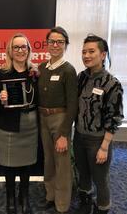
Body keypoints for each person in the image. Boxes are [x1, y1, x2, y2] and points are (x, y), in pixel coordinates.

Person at [73, 35, 124, 214]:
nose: (86, 55)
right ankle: (85, 203)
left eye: (91, 51)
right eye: (84, 52)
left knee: (100, 179)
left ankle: (102, 208)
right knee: (83, 174)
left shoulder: (112, 83)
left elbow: (115, 117)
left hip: (98, 140)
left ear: (103, 55)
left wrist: (104, 147)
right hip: (79, 137)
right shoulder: (81, 78)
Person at [0, 34, 38, 214]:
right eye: (16, 47)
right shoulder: (1, 74)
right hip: (8, 125)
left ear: (28, 50)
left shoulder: (35, 73)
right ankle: (11, 198)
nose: (20, 51)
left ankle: (24, 197)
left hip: (31, 125)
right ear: (10, 51)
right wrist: (0, 98)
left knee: (27, 165)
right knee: (9, 165)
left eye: (23, 47)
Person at [38, 26, 78, 213]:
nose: (55, 45)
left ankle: (62, 204)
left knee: (61, 163)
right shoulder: (41, 68)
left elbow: (73, 105)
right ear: (47, 44)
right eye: (52, 41)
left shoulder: (68, 70)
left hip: (60, 119)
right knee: (48, 160)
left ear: (65, 45)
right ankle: (50, 196)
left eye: (60, 42)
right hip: (43, 119)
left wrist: (63, 133)